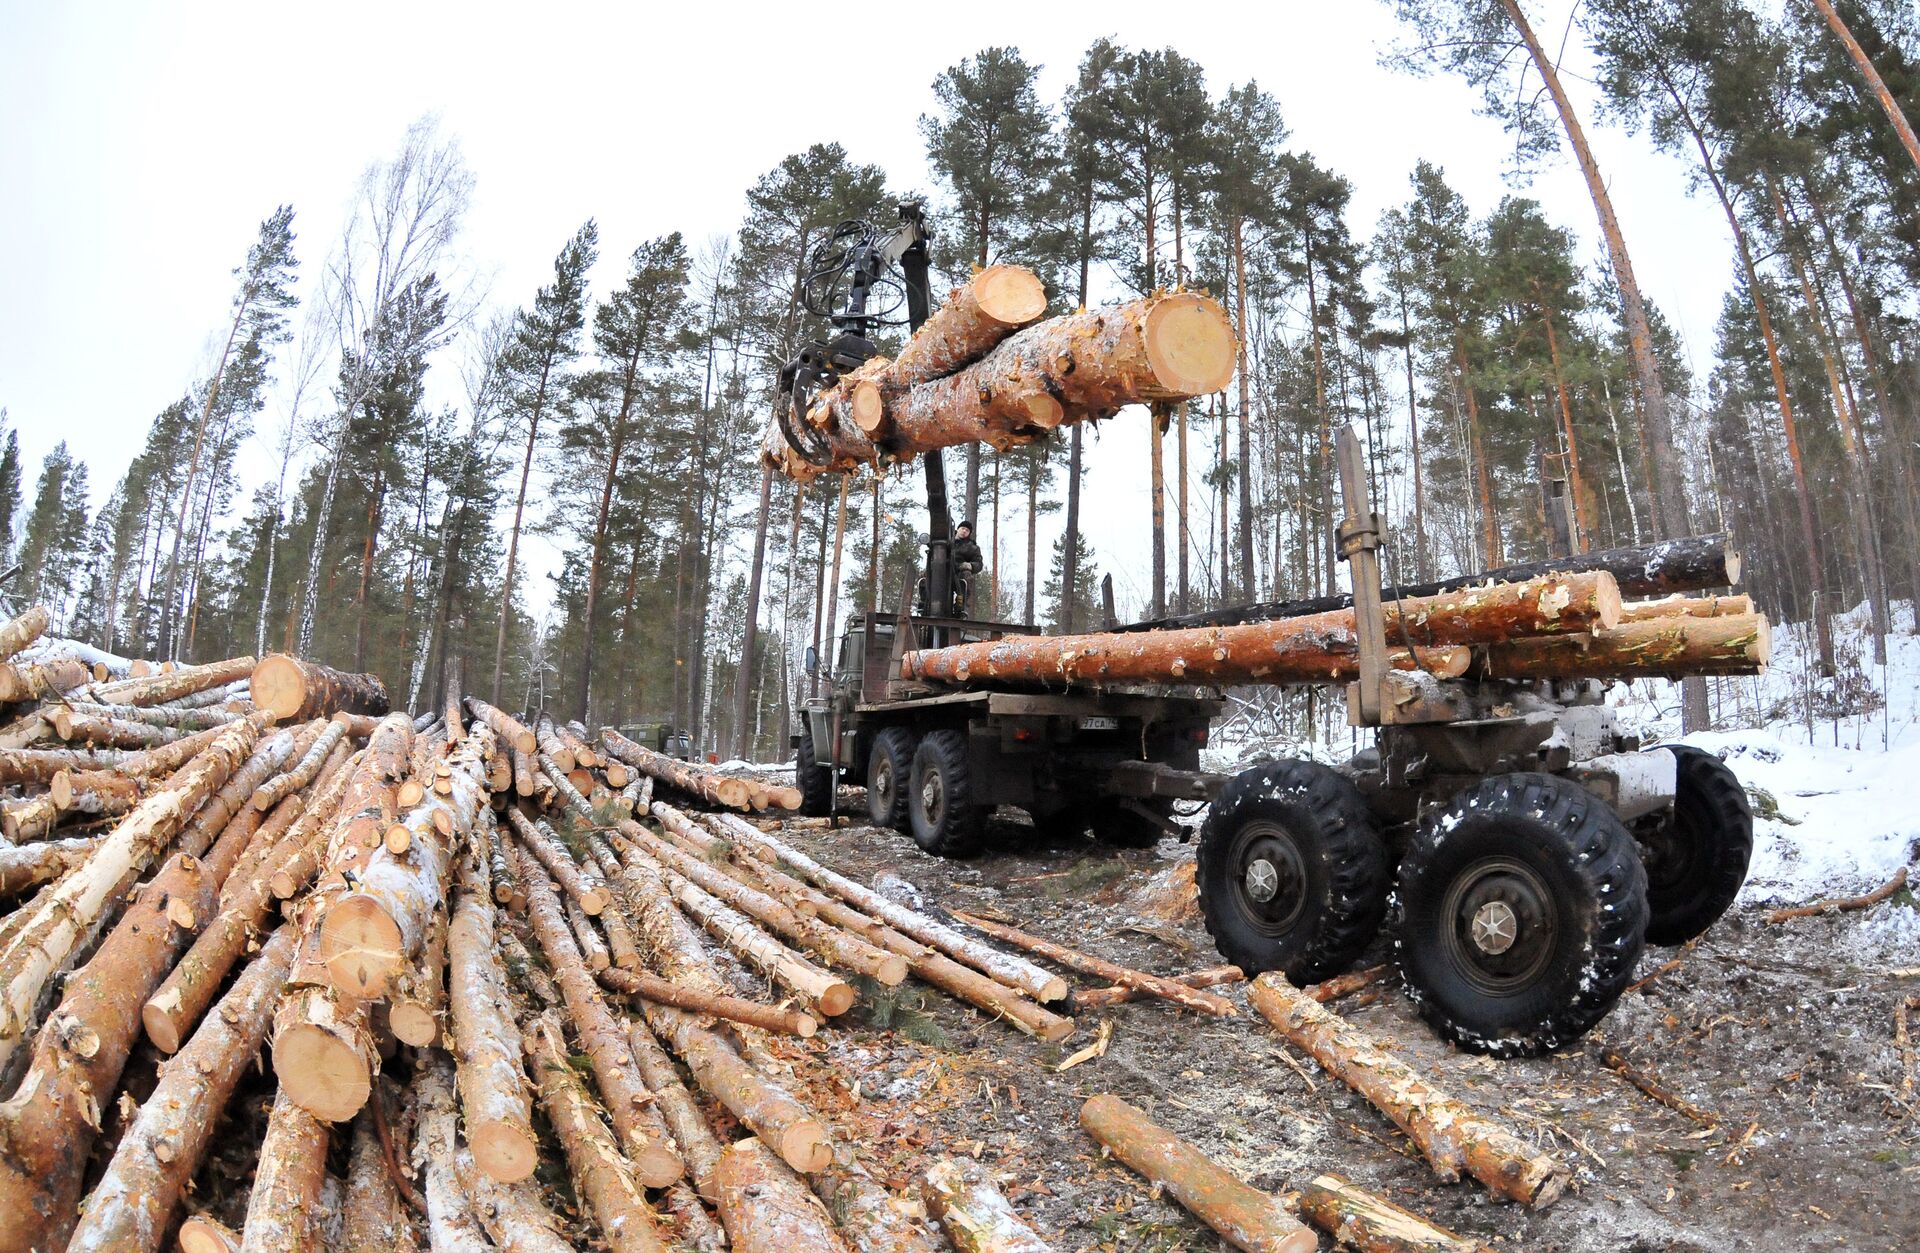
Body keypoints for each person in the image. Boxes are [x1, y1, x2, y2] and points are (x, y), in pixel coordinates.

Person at [951, 520, 983, 615]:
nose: (964, 531)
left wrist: (970, 565)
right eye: (963, 528)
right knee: (926, 573)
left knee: (967, 577)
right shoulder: (947, 541)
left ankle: (960, 605)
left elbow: (979, 564)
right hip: (942, 569)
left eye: (967, 530)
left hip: (959, 573)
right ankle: (924, 601)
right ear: (957, 529)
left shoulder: (972, 548)